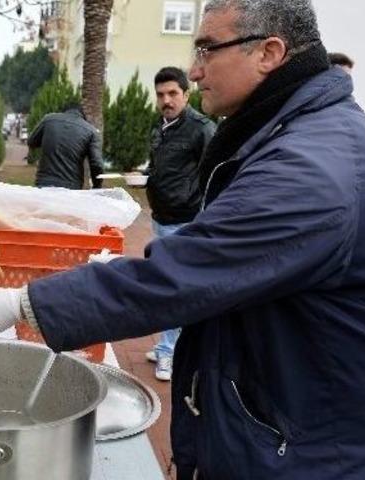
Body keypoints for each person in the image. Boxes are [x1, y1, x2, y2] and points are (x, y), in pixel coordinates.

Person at [0, 0, 365, 478]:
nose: (195, 70)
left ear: (269, 52)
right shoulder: (295, 135)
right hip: (312, 411)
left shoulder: (313, 168)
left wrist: (16, 303)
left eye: (206, 48)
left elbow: (178, 278)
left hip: (341, 453)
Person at [143, 66, 215, 381]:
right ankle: (166, 344)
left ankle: (169, 353)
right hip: (160, 217)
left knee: (174, 287)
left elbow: (214, 175)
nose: (166, 100)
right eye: (161, 94)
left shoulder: (202, 128)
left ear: (187, 94)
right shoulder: (161, 126)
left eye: (173, 93)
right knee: (164, 283)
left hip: (186, 220)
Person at [28, 105, 104, 189]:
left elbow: (31, 141)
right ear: (82, 116)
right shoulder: (91, 131)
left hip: (45, 182)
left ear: (63, 112)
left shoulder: (49, 120)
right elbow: (97, 164)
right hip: (71, 186)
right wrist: (97, 186)